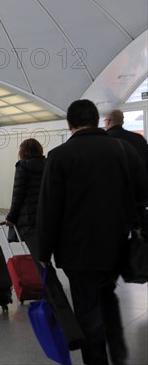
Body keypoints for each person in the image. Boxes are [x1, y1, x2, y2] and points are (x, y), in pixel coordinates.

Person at [37, 99, 148, 365]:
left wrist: (44, 251)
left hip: (78, 249)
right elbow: (142, 195)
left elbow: (50, 208)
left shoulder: (60, 156)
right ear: (98, 120)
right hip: (117, 243)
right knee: (106, 293)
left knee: (86, 307)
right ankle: (118, 353)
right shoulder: (123, 150)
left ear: (70, 123)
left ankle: (96, 359)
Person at [105, 109, 148, 234]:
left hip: (112, 199)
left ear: (108, 121)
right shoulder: (138, 139)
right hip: (137, 198)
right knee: (139, 236)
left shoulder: (104, 139)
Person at [3, 138, 46, 256]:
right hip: (46, 216)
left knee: (38, 256)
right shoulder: (48, 164)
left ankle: (45, 274)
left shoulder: (23, 166)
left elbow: (18, 194)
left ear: (23, 152)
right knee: (44, 255)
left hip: (29, 217)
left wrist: (11, 217)